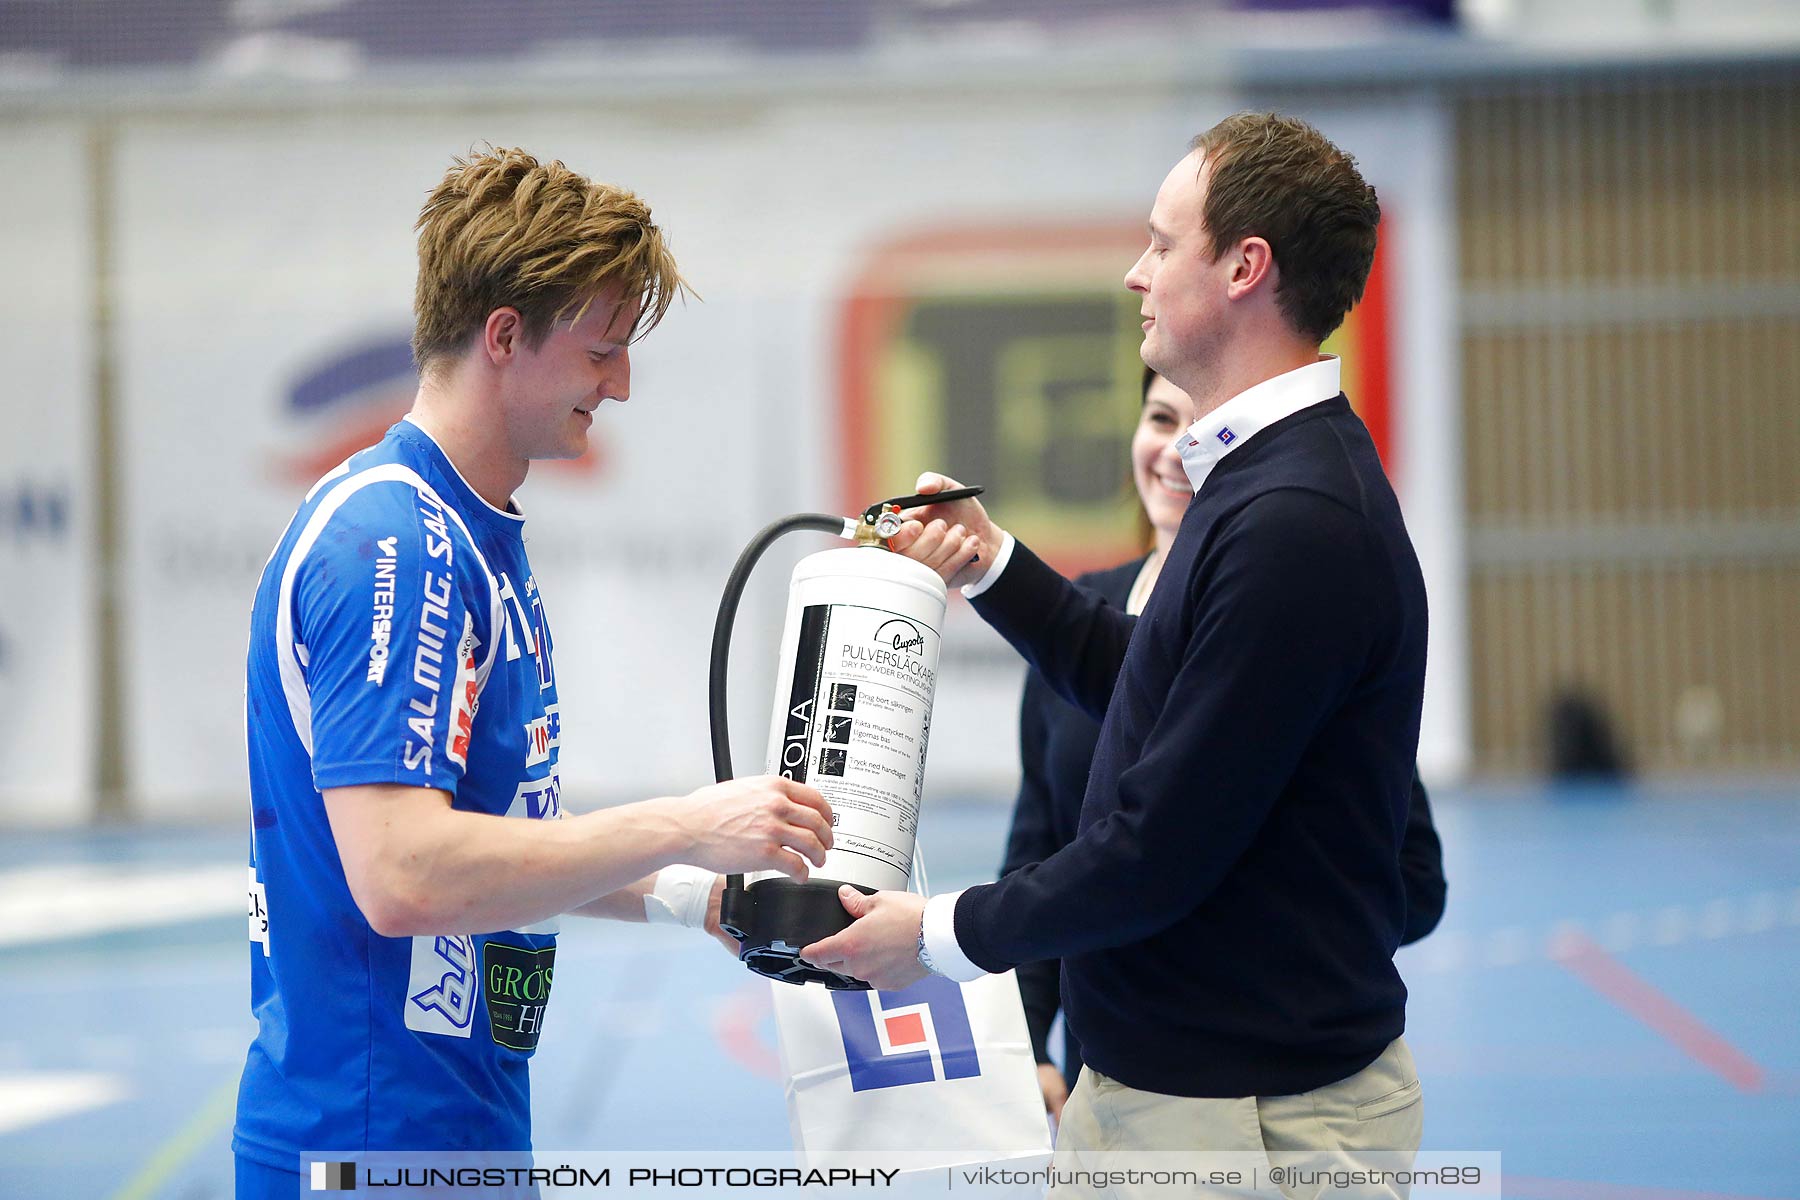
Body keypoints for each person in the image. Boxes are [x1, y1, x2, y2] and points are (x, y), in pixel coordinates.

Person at [804, 112, 1427, 1194]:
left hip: (1244, 1130)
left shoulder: (1295, 519)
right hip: (1200, 1109)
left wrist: (934, 934)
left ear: (1245, 266)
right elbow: (1150, 679)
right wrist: (991, 562)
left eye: (1161, 241)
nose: (1137, 274)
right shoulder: (1263, 484)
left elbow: (1157, 851)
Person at [234, 147, 833, 1196]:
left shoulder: (469, 532)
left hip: (450, 1132)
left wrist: (699, 898)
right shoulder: (395, 542)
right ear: (504, 336)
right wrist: (690, 822)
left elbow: (498, 836)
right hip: (372, 1144)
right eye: (603, 349)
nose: (624, 383)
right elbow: (404, 874)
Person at [1005, 374, 1447, 1123]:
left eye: (1204, 425)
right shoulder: (1074, 622)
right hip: (1109, 1077)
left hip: (1249, 1073)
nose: (1177, 447)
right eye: (1159, 417)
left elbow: (1411, 877)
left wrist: (1250, 930)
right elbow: (1044, 851)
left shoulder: (1293, 597)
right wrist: (1026, 1044)